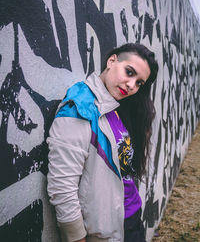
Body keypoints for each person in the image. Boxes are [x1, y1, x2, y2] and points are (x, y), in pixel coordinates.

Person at [47, 43, 159, 242]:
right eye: (129, 72)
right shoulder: (79, 108)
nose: (132, 85)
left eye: (139, 82)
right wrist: (76, 237)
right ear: (111, 61)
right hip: (106, 231)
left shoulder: (115, 106)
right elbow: (62, 187)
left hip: (131, 216)